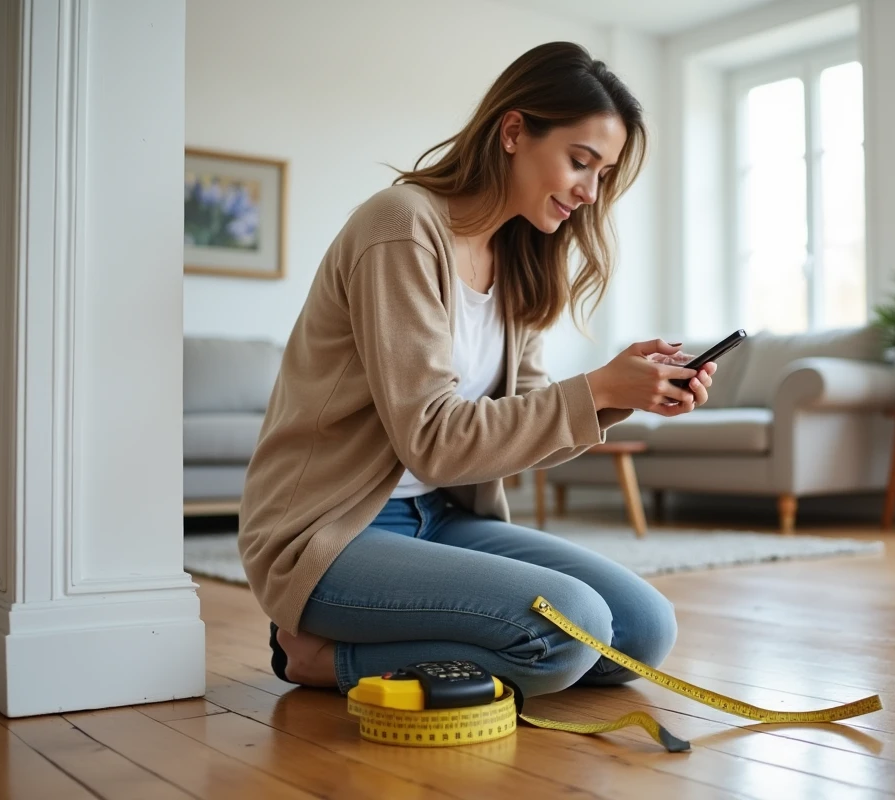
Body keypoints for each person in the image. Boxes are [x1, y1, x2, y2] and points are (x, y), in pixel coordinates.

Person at [238, 41, 717, 705]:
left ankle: (395, 650)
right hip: (332, 531)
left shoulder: (518, 256)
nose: (590, 191)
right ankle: (323, 659)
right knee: (566, 633)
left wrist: (622, 394)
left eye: (603, 174)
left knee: (641, 628)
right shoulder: (401, 227)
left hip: (441, 513)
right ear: (514, 131)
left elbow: (515, 425)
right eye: (580, 162)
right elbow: (432, 438)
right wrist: (598, 388)